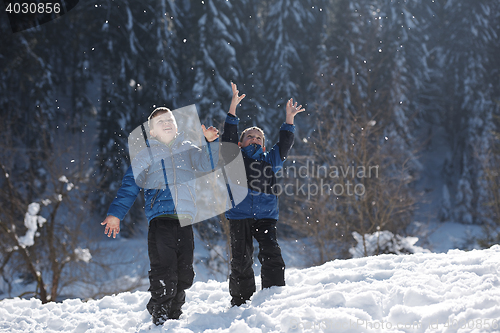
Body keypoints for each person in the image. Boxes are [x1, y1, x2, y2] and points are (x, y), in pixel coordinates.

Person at [100, 107, 219, 325]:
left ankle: (174, 313)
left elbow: (207, 164)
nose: (166, 124)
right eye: (160, 122)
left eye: (169, 120)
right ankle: (161, 314)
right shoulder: (145, 156)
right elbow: (129, 186)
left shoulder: (188, 149)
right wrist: (116, 214)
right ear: (152, 132)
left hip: (184, 220)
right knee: (164, 270)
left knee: (184, 273)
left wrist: (210, 143)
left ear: (176, 126)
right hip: (160, 220)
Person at [221, 82, 305, 306]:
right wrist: (232, 110)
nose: (255, 139)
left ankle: (274, 295)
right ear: (241, 142)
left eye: (259, 138)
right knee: (240, 259)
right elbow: (228, 138)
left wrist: (289, 120)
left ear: (265, 145)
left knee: (271, 254)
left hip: (266, 214)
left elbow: (285, 144)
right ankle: (240, 300)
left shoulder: (270, 160)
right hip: (239, 215)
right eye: (250, 136)